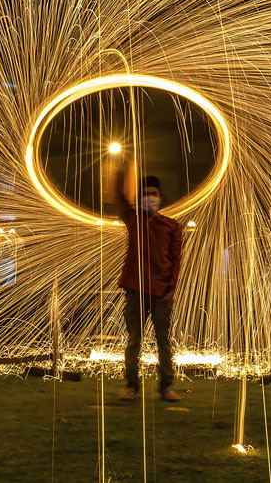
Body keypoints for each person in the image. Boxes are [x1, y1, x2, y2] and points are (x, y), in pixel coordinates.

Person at [115, 158, 183, 402]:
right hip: (135, 289)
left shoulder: (172, 226)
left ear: (160, 197)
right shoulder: (133, 219)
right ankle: (131, 386)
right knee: (134, 340)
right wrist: (123, 166)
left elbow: (176, 258)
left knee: (163, 341)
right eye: (145, 194)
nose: (150, 198)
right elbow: (119, 197)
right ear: (139, 198)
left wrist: (171, 287)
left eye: (153, 194)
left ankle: (166, 387)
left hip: (161, 291)